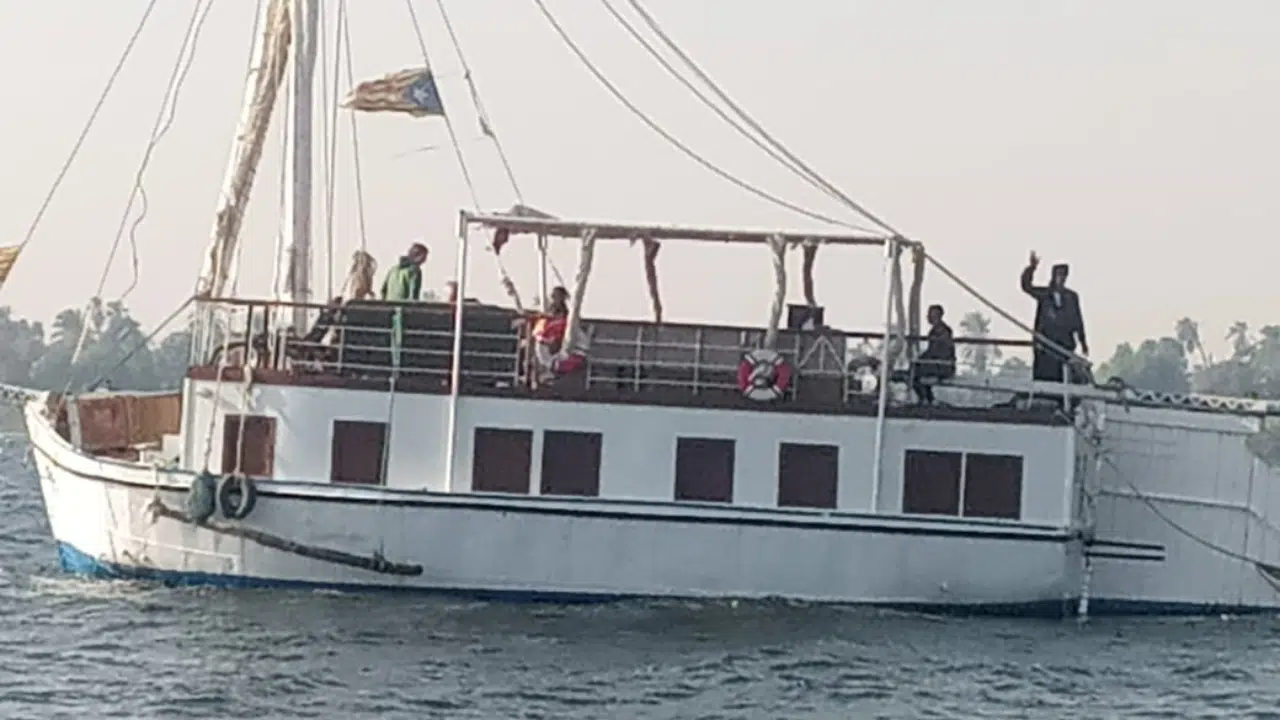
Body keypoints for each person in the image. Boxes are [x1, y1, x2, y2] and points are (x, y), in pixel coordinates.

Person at [1020, 251, 1088, 384]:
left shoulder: (1072, 297)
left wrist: (1083, 342)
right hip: (1045, 347)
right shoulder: (1044, 294)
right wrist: (1031, 268)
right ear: (1054, 276)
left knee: (1063, 378)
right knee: (1043, 379)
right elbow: (1026, 286)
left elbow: (1078, 321)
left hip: (1064, 347)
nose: (1061, 278)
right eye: (1059, 275)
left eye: (1064, 275)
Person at [894, 304, 955, 404]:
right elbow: (932, 350)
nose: (928, 317)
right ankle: (927, 398)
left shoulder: (943, 331)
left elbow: (939, 351)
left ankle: (925, 399)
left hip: (942, 366)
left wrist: (922, 359)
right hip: (935, 364)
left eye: (930, 314)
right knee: (914, 370)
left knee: (915, 373)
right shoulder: (935, 331)